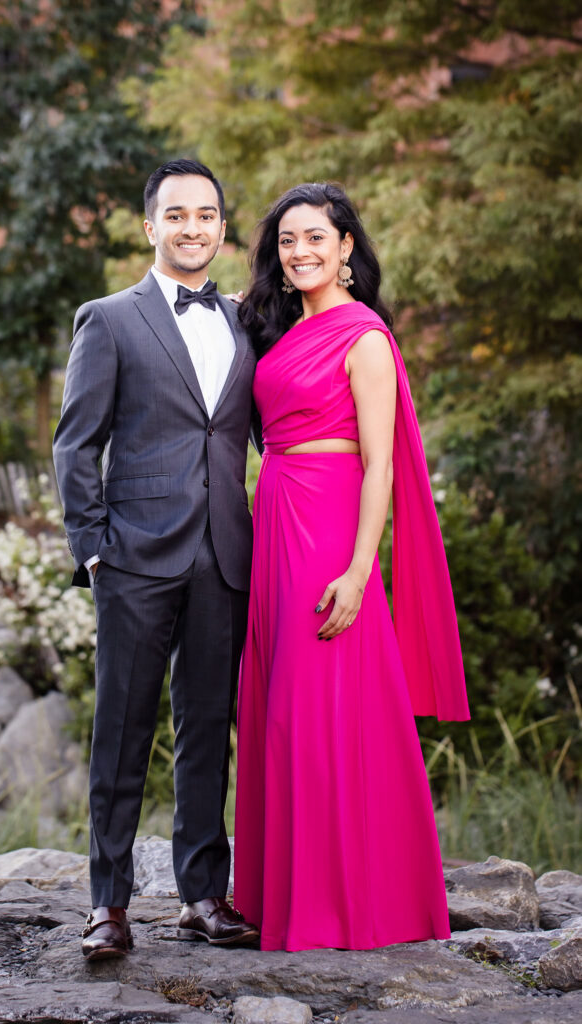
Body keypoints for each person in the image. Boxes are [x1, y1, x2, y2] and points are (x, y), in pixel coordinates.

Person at [233, 182, 469, 952]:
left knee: (319, 705)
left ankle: (353, 904)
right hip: (273, 515)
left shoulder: (363, 336)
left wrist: (361, 566)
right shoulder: (273, 329)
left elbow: (380, 466)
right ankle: (286, 897)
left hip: (331, 524)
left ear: (344, 249)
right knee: (278, 710)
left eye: (315, 239)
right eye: (286, 240)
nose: (299, 252)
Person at [53, 159, 260, 960]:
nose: (192, 228)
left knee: (209, 727)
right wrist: (94, 550)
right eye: (176, 215)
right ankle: (107, 904)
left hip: (224, 556)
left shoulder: (246, 320)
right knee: (122, 730)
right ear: (150, 227)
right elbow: (76, 443)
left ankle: (202, 894)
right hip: (134, 558)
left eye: (206, 215)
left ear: (220, 226)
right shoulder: (107, 318)